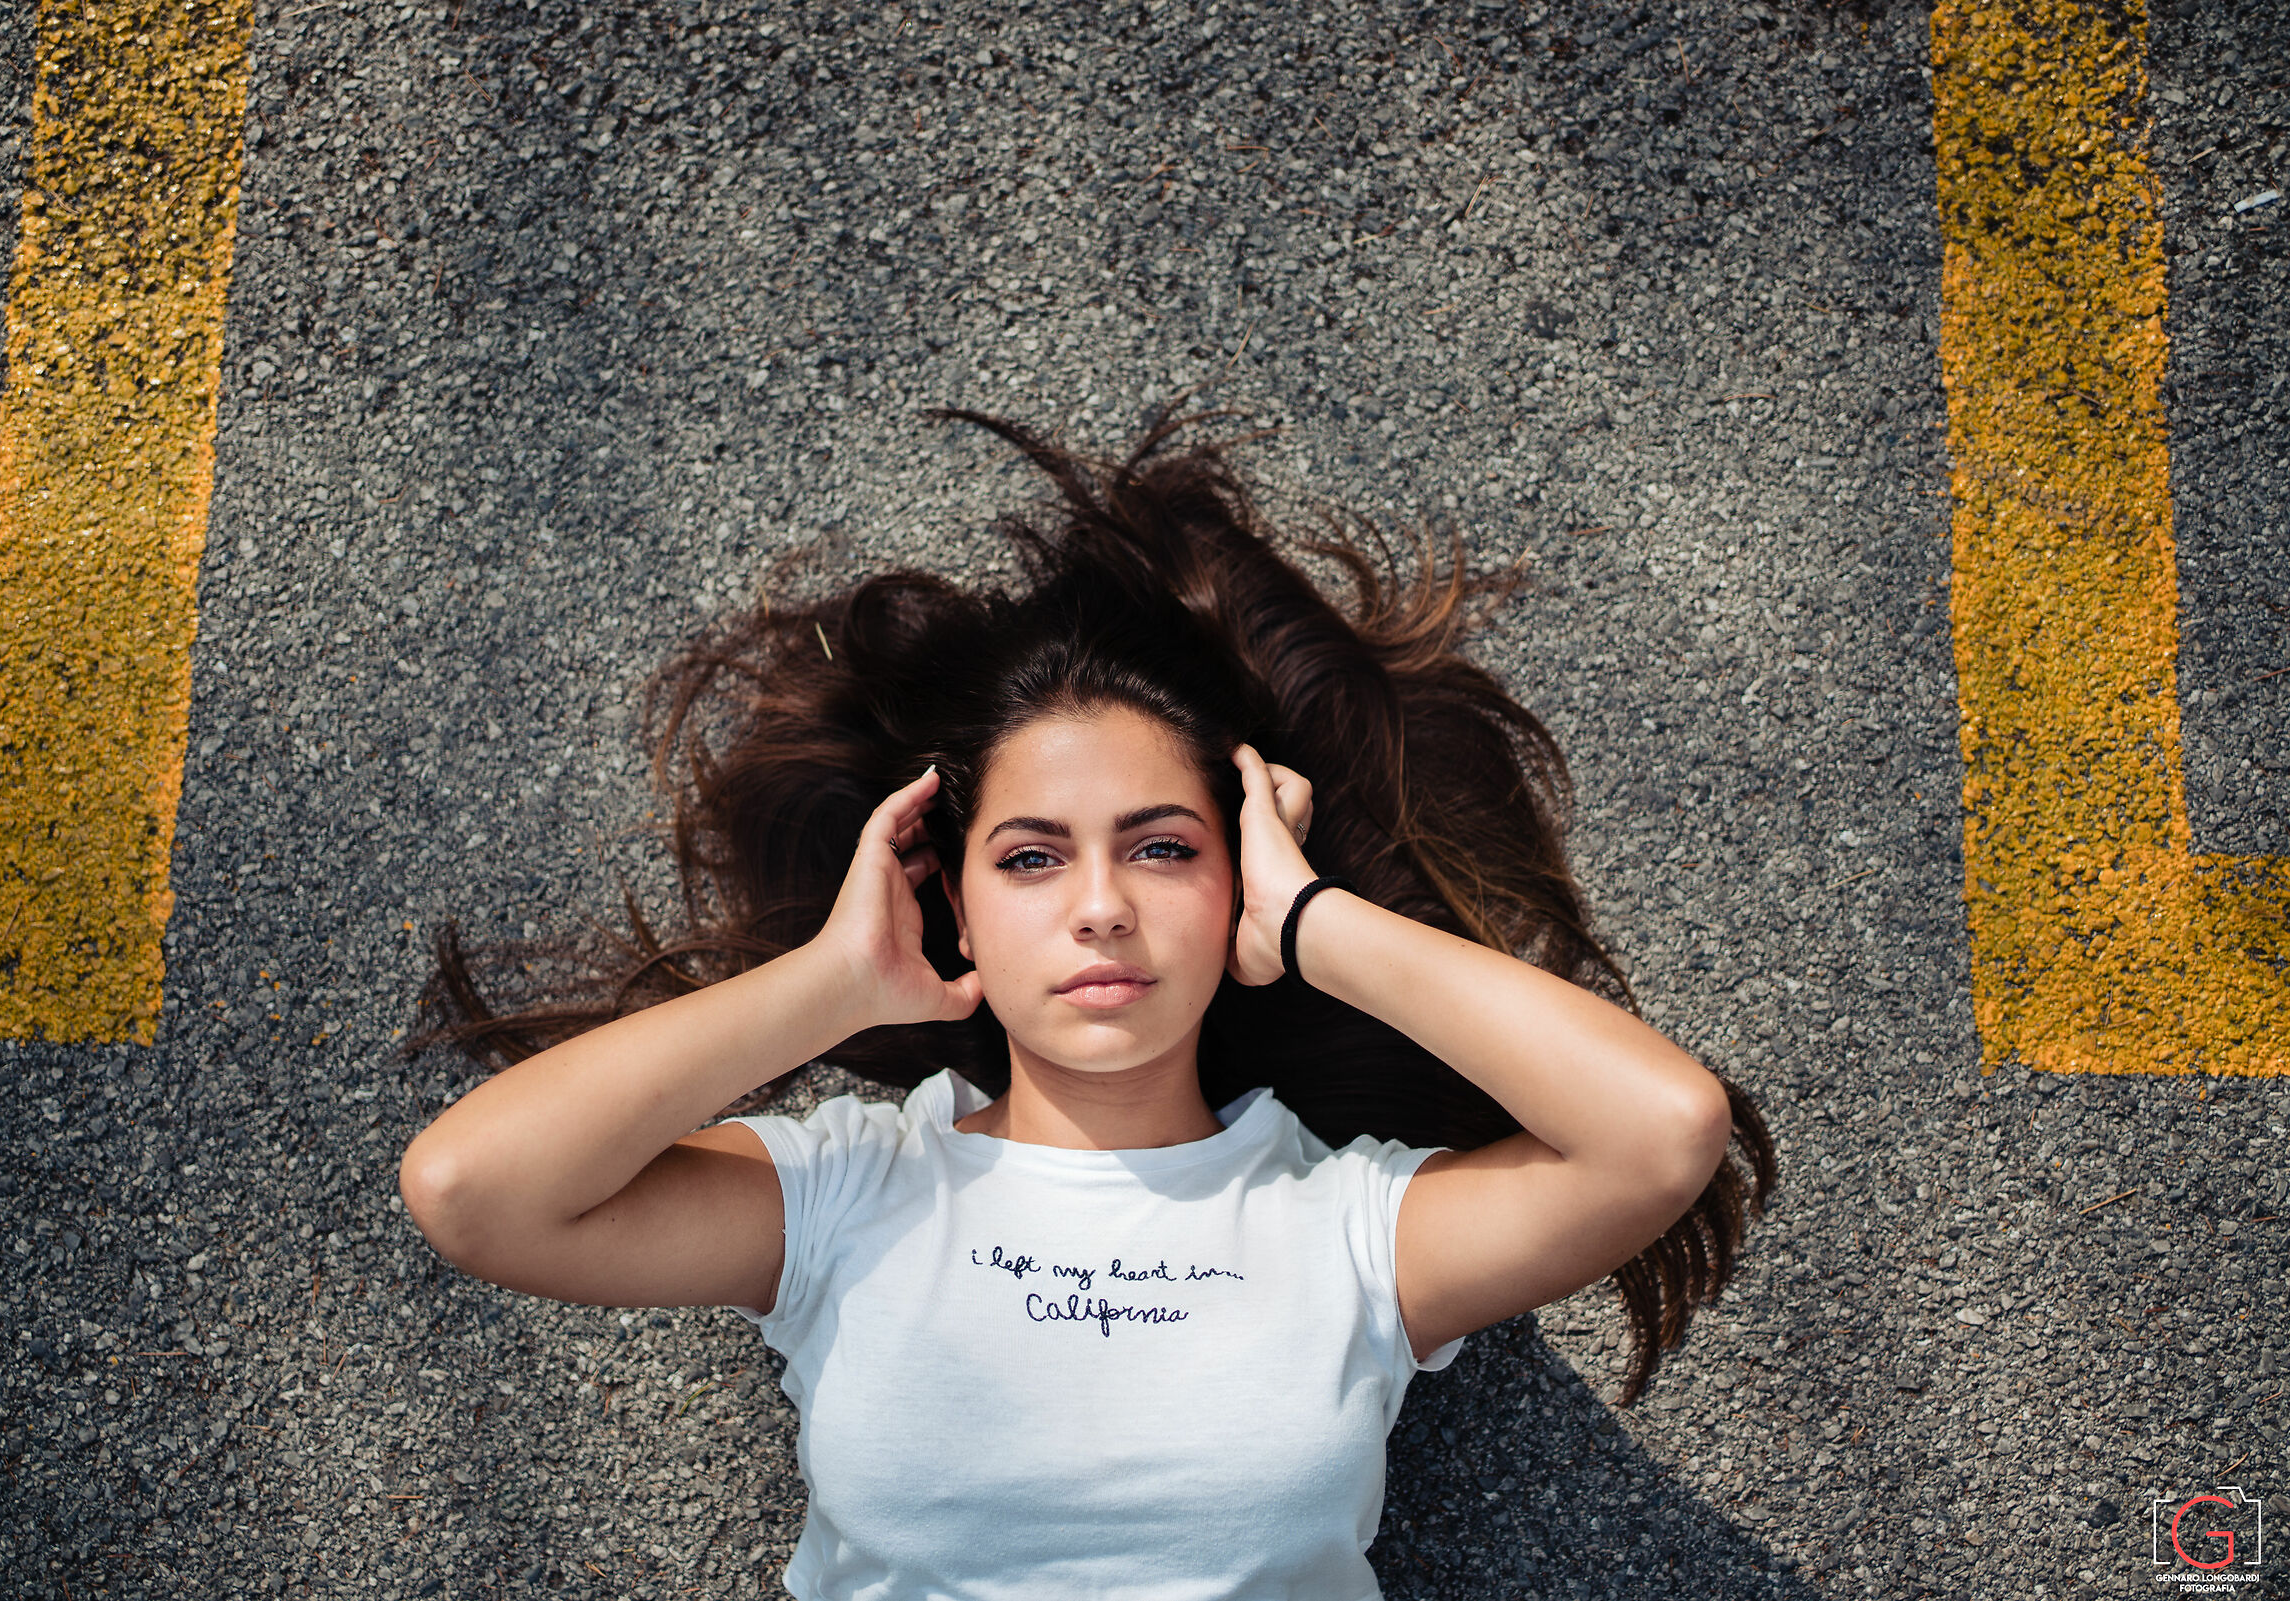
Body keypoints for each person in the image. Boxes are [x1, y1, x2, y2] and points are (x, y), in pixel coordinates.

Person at [399, 403, 1777, 1599]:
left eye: (1163, 846)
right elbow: (474, 1187)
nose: (1101, 902)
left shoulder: (1348, 1230)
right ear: (959, 902)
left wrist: (1311, 923)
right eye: (1032, 857)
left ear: (1229, 878)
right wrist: (831, 981)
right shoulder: (846, 1196)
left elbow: (1660, 1131)